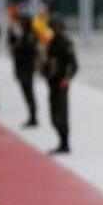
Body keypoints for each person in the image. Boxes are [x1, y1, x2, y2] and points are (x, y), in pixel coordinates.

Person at [43, 14, 77, 154]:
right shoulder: (51, 42)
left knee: (62, 115)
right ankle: (61, 141)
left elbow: (73, 64)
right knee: (53, 116)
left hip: (61, 83)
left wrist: (67, 78)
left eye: (56, 27)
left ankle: (65, 143)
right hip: (52, 82)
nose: (54, 29)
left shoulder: (65, 42)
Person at [8, 11, 39, 127]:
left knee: (29, 92)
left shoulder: (30, 34)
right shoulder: (20, 34)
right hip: (20, 67)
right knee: (25, 92)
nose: (20, 23)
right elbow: (12, 44)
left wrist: (20, 40)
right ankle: (31, 115)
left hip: (27, 67)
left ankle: (33, 116)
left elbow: (30, 50)